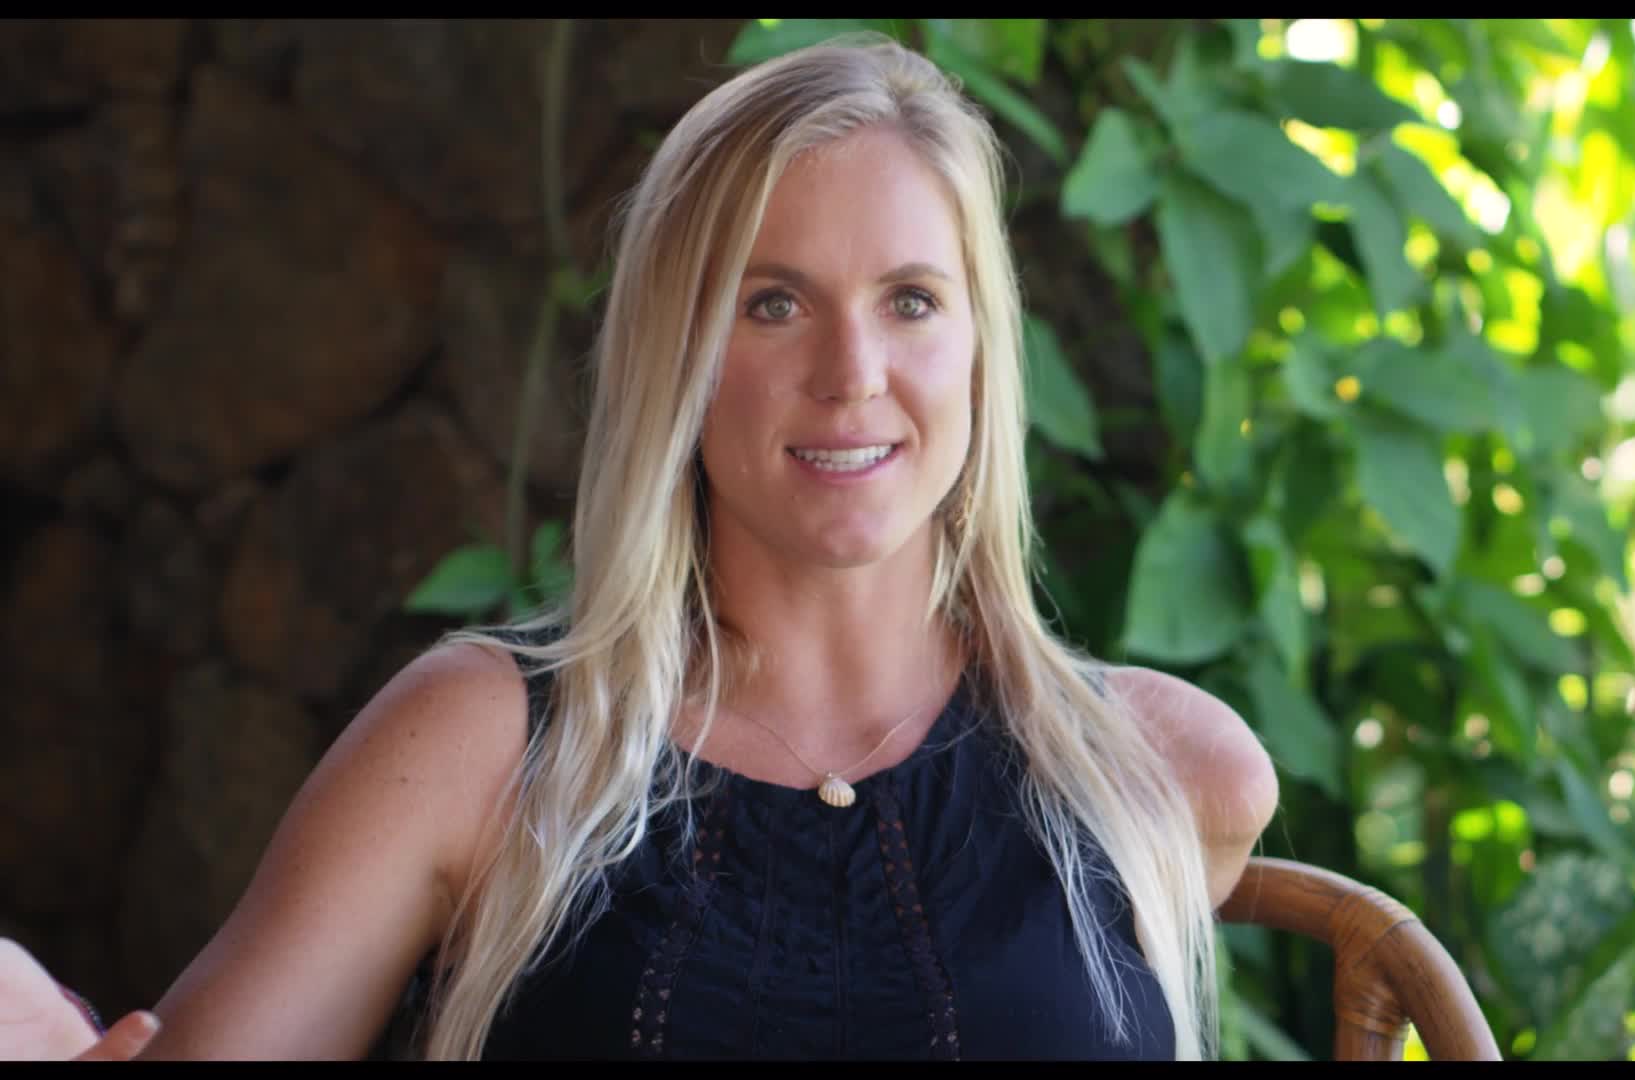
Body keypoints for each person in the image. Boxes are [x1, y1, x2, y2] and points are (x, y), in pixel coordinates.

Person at [2, 36, 1278, 1061]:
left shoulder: (1169, 775)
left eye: (911, 300)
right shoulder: (478, 749)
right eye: (771, 303)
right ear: (679, 359)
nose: (852, 372)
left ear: (983, 352)